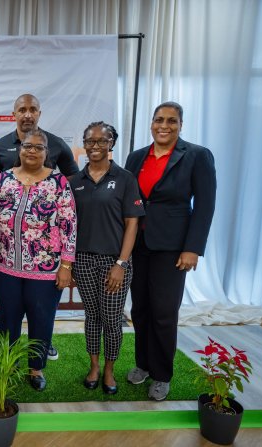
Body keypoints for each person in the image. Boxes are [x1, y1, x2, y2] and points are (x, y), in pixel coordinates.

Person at [125, 101, 216, 401]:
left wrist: (193, 248)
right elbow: (129, 201)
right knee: (140, 309)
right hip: (139, 245)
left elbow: (205, 205)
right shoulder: (137, 157)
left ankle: (162, 374)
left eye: (171, 121)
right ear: (151, 123)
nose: (164, 126)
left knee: (164, 312)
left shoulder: (197, 155)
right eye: (159, 120)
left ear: (180, 125)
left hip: (173, 248)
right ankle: (143, 365)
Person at [0, 93, 79, 361]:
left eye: (38, 148)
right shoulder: (3, 180)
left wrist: (66, 265)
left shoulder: (59, 183)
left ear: (47, 152)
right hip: (6, 266)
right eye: (27, 146)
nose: (32, 151)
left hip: (46, 269)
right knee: (8, 320)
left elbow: (69, 224)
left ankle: (36, 368)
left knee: (41, 318)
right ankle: (9, 365)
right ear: (19, 149)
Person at [69, 122, 145, 395]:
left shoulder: (125, 178)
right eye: (90, 141)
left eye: (103, 140)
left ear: (111, 143)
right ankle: (94, 367)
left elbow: (132, 224)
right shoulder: (74, 182)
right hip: (83, 261)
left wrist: (121, 264)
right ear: (84, 144)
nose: (96, 145)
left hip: (115, 263)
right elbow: (68, 225)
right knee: (92, 316)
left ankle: (110, 370)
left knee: (112, 320)